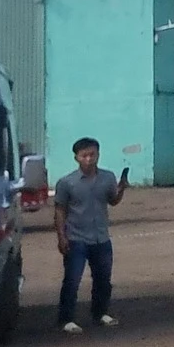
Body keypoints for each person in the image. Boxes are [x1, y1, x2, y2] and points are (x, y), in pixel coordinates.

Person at [54, 136, 126, 332]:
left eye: (92, 154)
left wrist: (121, 191)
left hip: (101, 237)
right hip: (76, 238)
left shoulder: (108, 177)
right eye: (84, 155)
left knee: (103, 279)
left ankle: (100, 313)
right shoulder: (67, 183)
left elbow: (112, 201)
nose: (89, 159)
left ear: (98, 154)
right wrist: (61, 236)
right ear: (76, 158)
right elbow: (60, 210)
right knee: (72, 280)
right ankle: (66, 319)